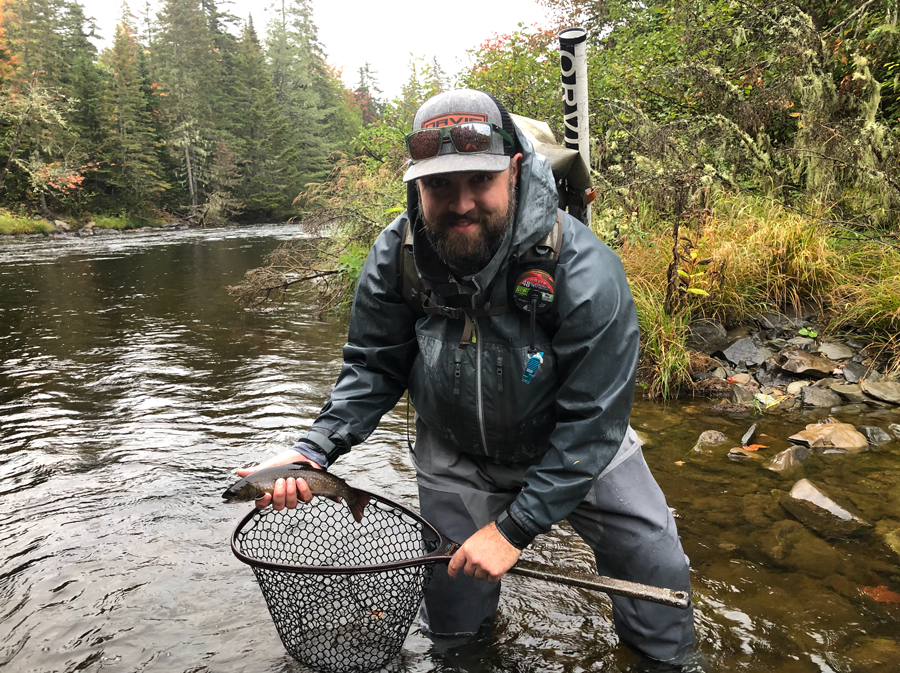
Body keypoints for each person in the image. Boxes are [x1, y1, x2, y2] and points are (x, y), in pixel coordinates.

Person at [236, 89, 696, 667]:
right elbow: (371, 368)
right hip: (455, 451)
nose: (460, 204)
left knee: (657, 565)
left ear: (515, 168)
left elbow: (594, 420)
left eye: (479, 180)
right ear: (416, 184)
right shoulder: (395, 257)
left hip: (575, 445)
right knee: (454, 614)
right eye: (440, 186)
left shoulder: (583, 268)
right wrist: (314, 450)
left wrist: (511, 531)